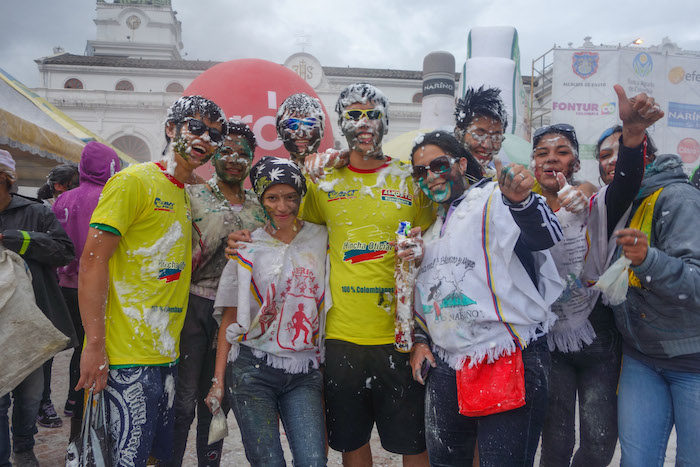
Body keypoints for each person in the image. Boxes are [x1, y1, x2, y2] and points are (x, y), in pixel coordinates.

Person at [230, 83, 434, 465]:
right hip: (340, 338)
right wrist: (243, 238)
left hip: (399, 335)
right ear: (340, 123)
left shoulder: (410, 180)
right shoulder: (323, 182)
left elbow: (435, 242)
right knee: (350, 442)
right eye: (353, 115)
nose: (363, 123)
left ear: (385, 121)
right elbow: (284, 223)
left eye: (372, 113)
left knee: (413, 443)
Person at [76, 95, 226, 466]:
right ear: (171, 128)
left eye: (214, 134)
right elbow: (92, 263)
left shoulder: (185, 194)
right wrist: (94, 346)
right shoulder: (133, 181)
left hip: (165, 354)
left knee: (152, 459)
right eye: (195, 126)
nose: (204, 138)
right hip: (124, 357)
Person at [407, 130, 563, 466]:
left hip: (507, 355)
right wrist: (420, 339)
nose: (430, 177)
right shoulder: (432, 227)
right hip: (448, 363)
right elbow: (430, 296)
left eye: (438, 165)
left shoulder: (496, 198)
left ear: (461, 164)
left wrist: (521, 201)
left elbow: (545, 236)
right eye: (420, 172)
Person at [538, 85, 664, 467]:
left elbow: (625, 183)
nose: (552, 160)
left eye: (562, 152)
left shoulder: (595, 202)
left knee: (599, 445)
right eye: (542, 153)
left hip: (599, 336)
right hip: (549, 340)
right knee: (556, 444)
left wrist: (633, 135)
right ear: (533, 163)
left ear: (576, 164)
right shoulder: (516, 207)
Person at [207, 156, 327, 466]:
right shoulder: (246, 247)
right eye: (272, 197)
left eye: (290, 197)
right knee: (267, 462)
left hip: (304, 370)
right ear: (260, 199)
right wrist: (218, 380)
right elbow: (231, 318)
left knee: (313, 460)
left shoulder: (321, 238)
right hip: (252, 369)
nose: (282, 207)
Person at [594, 116, 700, 465]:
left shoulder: (679, 198)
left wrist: (649, 261)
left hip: (692, 361)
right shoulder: (618, 205)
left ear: (645, 154)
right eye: (603, 156)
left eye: (618, 152)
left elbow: (696, 281)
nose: (611, 161)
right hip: (641, 358)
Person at [169, 119, 265, 467]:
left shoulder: (261, 206)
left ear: (253, 158)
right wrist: (220, 245)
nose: (234, 159)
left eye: (243, 153)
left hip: (238, 315)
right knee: (182, 402)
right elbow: (176, 258)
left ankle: (209, 462)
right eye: (226, 151)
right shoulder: (191, 196)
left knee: (217, 400)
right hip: (194, 307)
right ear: (214, 156)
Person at [0, 149, 77, 467]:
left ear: (5, 180)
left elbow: (64, 252)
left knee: (30, 396)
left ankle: (23, 446)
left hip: (32, 322)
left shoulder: (36, 212)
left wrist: (15, 239)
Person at [52, 142, 121, 441]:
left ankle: (70, 400)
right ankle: (83, 405)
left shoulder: (63, 199)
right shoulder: (109, 197)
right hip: (95, 289)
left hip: (63, 285)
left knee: (72, 348)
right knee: (91, 347)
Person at [453, 85, 508, 177]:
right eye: (479, 134)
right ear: (459, 133)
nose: (487, 145)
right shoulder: (439, 178)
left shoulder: (496, 181)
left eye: (496, 137)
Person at [276, 93, 326, 165]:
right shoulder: (276, 173)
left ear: (322, 129)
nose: (301, 133)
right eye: (291, 124)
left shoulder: (339, 172)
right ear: (279, 131)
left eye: (309, 124)